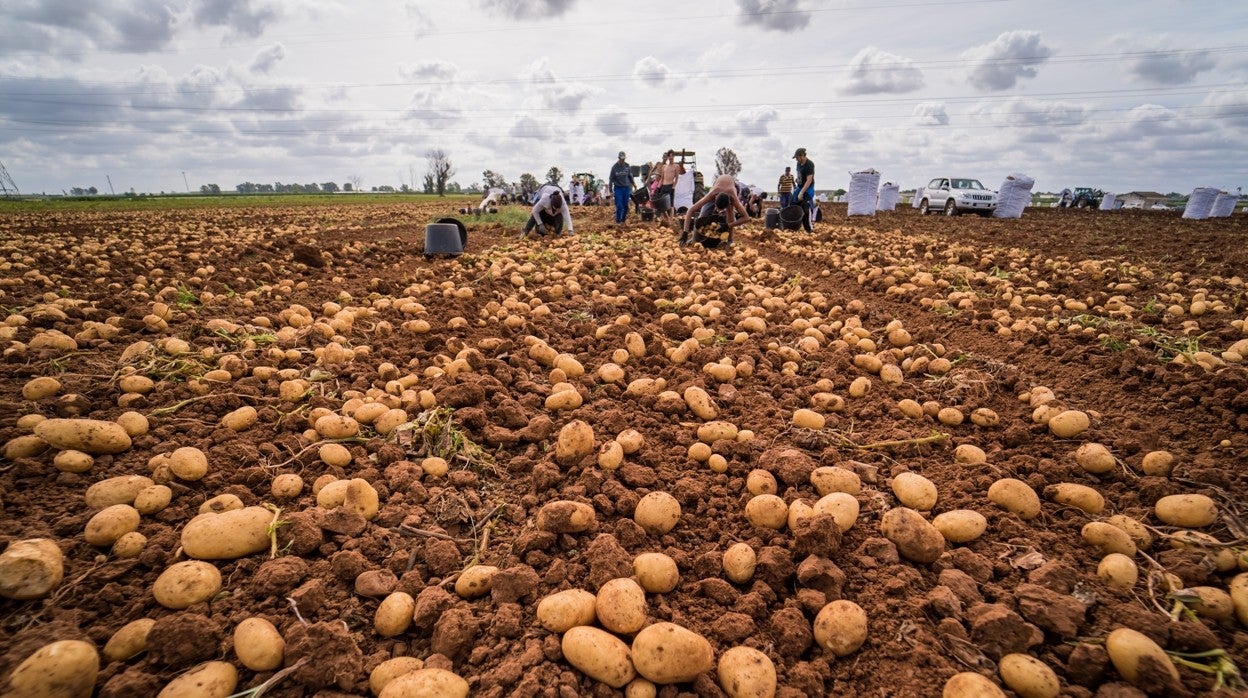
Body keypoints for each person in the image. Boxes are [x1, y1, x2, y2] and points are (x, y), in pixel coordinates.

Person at [681, 174, 749, 246]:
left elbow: (746, 218)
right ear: (715, 198)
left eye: (721, 209)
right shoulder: (712, 193)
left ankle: (730, 240)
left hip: (731, 189)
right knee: (702, 215)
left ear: (728, 203)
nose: (717, 210)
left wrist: (728, 225)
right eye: (717, 208)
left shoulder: (733, 198)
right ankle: (695, 237)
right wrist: (685, 233)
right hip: (718, 186)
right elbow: (690, 210)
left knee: (730, 218)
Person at [792, 147, 815, 233]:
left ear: (802, 156)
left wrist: (802, 192)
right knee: (793, 204)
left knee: (805, 206)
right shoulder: (798, 163)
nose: (796, 160)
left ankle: (808, 229)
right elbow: (799, 174)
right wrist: (798, 180)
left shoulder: (809, 164)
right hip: (800, 186)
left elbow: (809, 180)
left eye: (797, 158)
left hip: (808, 187)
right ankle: (794, 226)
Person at [610, 151, 634, 225]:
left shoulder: (627, 166)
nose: (623, 160)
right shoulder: (614, 168)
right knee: (619, 205)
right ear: (619, 158)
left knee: (626, 206)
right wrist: (610, 190)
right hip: (618, 188)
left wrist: (634, 184)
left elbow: (630, 176)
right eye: (621, 159)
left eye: (624, 159)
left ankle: (623, 220)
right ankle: (618, 221)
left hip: (626, 188)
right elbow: (611, 179)